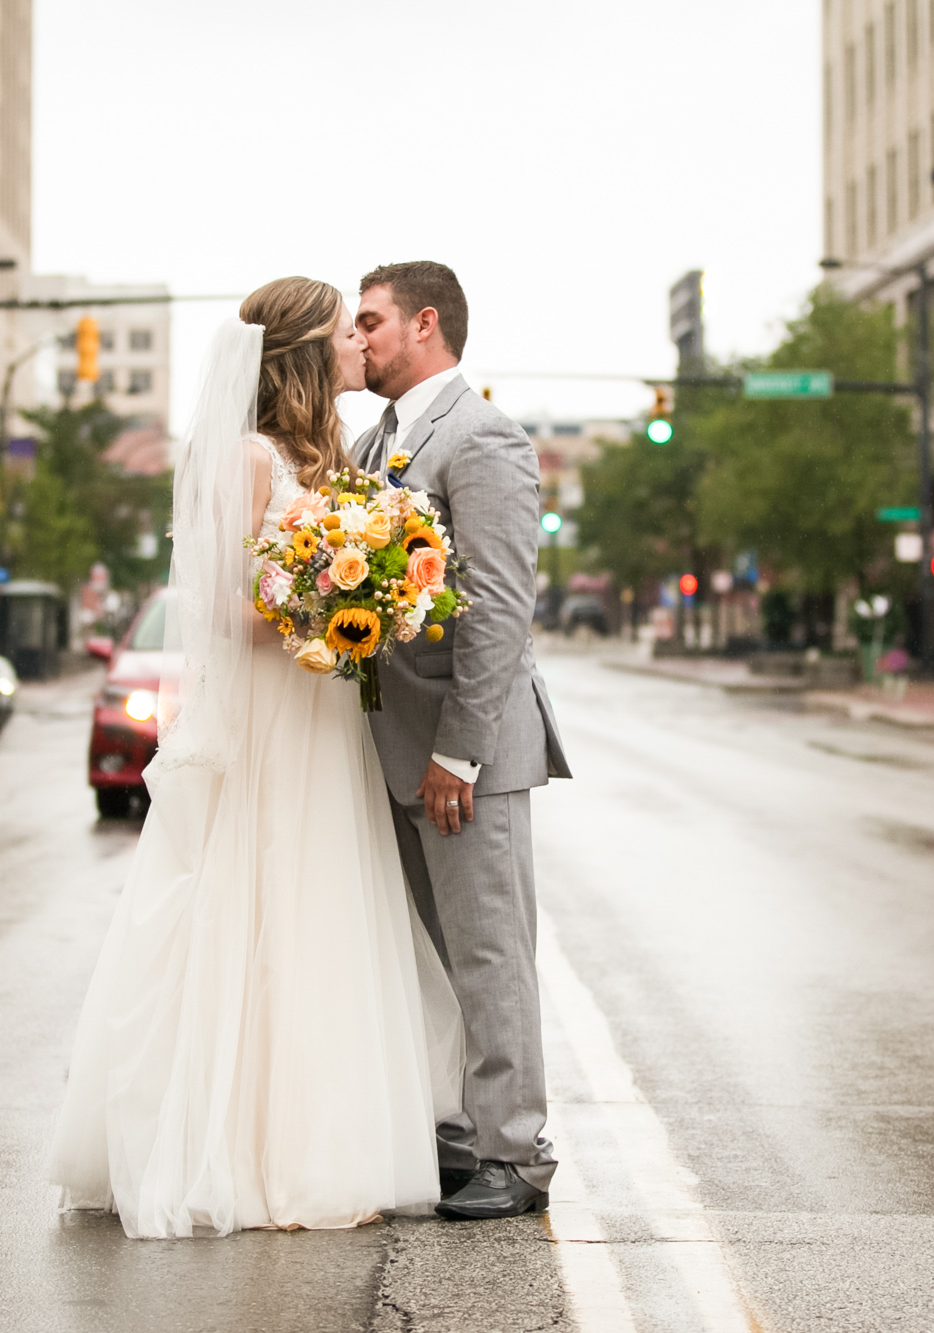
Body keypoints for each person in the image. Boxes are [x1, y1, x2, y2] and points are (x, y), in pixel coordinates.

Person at [47, 277, 464, 1239]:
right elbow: (213, 605)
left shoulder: (333, 456)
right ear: (306, 354)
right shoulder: (247, 457)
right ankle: (241, 1152)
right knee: (261, 908)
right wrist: (325, 612)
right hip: (276, 715)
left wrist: (381, 597)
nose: (361, 343)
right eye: (345, 332)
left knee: (325, 911)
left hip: (325, 715)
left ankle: (322, 1138)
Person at [352, 262, 573, 1220]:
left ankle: (516, 1153)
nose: (356, 340)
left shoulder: (483, 439)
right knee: (433, 959)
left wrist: (460, 751)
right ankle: (459, 1132)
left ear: (425, 324)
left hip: (463, 753)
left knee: (489, 953)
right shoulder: (370, 444)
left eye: (370, 321)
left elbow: (496, 613)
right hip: (390, 745)